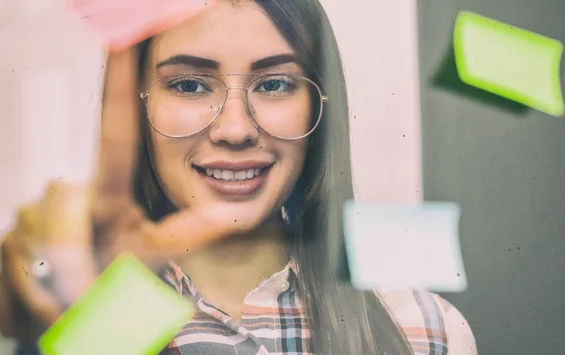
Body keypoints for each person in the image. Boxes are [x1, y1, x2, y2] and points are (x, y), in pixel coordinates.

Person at [0, 0, 477, 354]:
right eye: (188, 85)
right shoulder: (79, 325)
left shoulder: (426, 331)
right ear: (138, 105)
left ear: (319, 107)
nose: (234, 129)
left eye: (274, 84)